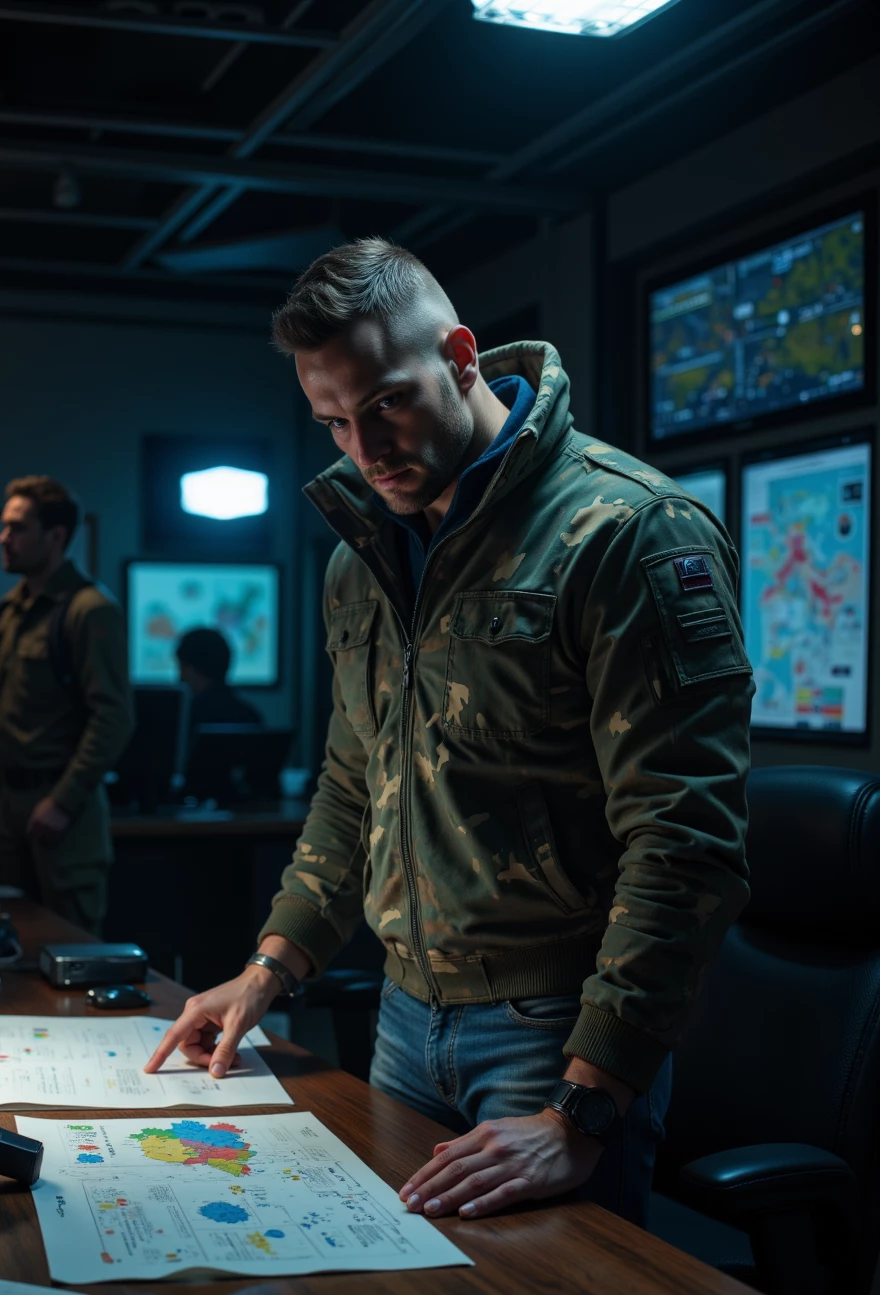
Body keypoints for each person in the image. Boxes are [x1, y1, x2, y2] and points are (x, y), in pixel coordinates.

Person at [145, 239, 754, 1230]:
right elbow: (354, 787)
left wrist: (586, 1106)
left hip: (554, 1033)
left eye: (385, 402)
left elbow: (684, 846)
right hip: (400, 1015)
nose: (366, 450)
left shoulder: (628, 531)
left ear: (461, 355)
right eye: (334, 422)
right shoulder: (363, 559)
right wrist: (271, 967)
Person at [0, 475, 134, 932]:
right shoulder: (10, 609)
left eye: (17, 528)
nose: (3, 538)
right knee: (8, 948)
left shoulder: (88, 609)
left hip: (61, 812)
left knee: (71, 951)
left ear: (56, 536)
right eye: (4, 526)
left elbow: (115, 717)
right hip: (7, 805)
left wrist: (63, 801)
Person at [177, 628, 263, 726]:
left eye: (180, 666)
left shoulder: (184, 719)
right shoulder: (250, 716)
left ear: (189, 669)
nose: (180, 676)